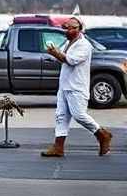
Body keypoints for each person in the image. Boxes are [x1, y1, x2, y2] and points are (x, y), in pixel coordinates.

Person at [41, 17, 112, 157]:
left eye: (69, 27)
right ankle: (58, 147)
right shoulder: (68, 42)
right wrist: (54, 52)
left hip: (77, 86)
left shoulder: (84, 45)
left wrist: (56, 53)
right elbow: (62, 57)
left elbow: (70, 60)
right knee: (61, 116)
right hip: (64, 85)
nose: (66, 30)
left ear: (78, 29)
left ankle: (102, 134)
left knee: (79, 115)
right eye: (65, 27)